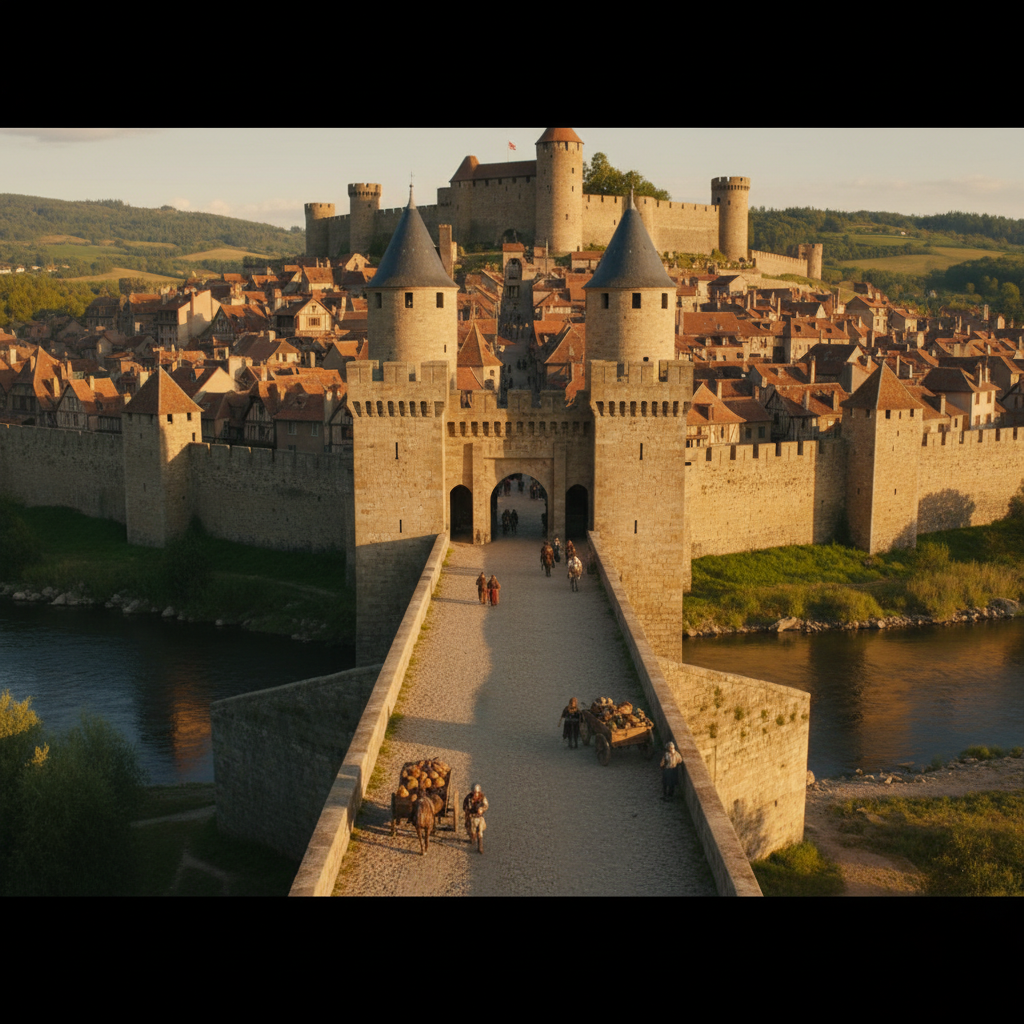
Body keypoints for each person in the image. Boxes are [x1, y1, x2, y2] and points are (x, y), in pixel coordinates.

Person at [463, 783, 488, 853]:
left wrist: (482, 809)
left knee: (480, 832)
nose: (476, 794)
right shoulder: (468, 798)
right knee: (472, 832)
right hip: (472, 817)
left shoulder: (482, 797)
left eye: (477, 792)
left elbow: (486, 805)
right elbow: (464, 807)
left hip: (480, 817)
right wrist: (468, 811)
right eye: (474, 792)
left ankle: (480, 847)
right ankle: (472, 839)